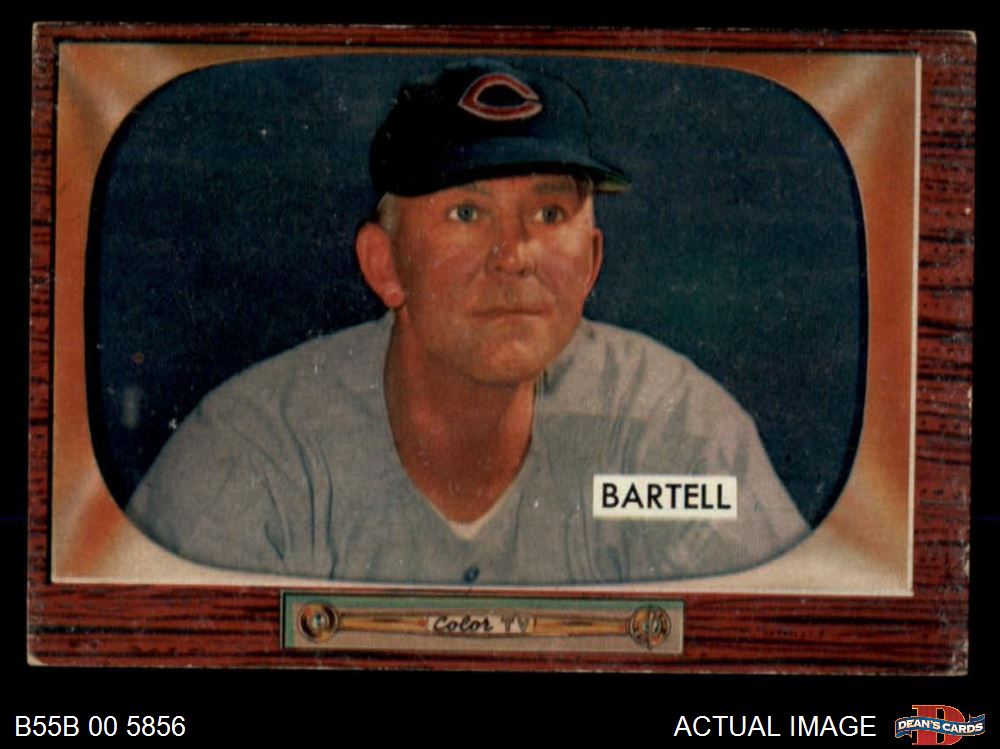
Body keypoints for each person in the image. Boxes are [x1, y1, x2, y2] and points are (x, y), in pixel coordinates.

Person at [127, 59, 809, 584]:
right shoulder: (254, 457)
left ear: (592, 264)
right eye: (466, 213)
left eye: (549, 214)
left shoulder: (677, 432)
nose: (514, 256)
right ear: (385, 264)